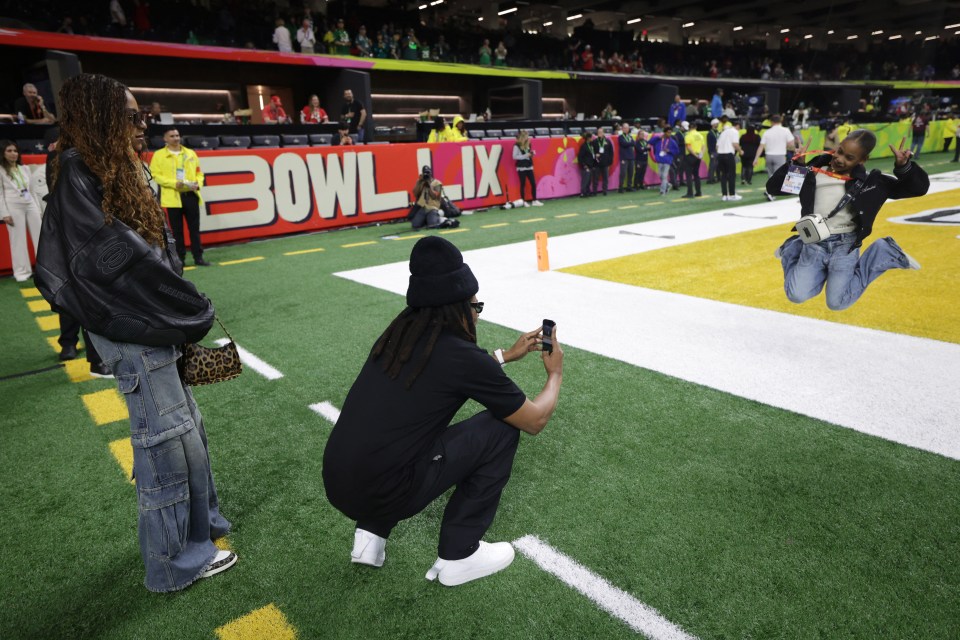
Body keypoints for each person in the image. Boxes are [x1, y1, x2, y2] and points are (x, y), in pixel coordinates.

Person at [35, 72, 236, 593]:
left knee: (185, 431)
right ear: (100, 116)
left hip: (152, 321)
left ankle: (201, 531)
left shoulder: (115, 164)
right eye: (128, 114)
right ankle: (173, 562)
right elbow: (113, 262)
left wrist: (177, 304)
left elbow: (150, 252)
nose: (140, 122)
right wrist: (183, 304)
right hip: (131, 329)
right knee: (163, 441)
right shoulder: (77, 170)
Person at [322, 236, 563, 587]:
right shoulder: (458, 357)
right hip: (384, 490)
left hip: (339, 480)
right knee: (500, 429)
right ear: (457, 308)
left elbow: (450, 370)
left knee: (403, 432)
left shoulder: (402, 333)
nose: (477, 317)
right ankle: (459, 555)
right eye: (475, 308)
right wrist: (555, 373)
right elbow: (534, 420)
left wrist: (506, 356)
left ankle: (370, 538)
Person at [769, 132, 928, 311]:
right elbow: (773, 188)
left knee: (837, 303)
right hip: (813, 243)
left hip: (845, 247)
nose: (839, 159)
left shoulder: (871, 182)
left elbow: (918, 189)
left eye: (849, 157)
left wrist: (904, 167)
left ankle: (884, 251)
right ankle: (793, 247)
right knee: (796, 295)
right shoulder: (812, 172)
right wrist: (797, 165)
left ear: (862, 160)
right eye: (840, 151)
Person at [149, 128, 210, 267]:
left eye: (177, 135)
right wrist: (173, 183)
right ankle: (180, 260)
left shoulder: (190, 153)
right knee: (177, 231)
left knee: (194, 229)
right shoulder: (158, 155)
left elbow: (199, 173)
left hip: (191, 196)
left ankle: (198, 257)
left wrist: (197, 184)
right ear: (165, 139)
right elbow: (156, 175)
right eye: (172, 136)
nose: (176, 138)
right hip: (172, 198)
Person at [1, 141, 43, 282]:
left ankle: (44, 269)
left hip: (30, 204)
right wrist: (4, 213)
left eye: (15, 151)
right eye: (9, 151)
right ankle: (21, 273)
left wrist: (38, 208)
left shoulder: (24, 168)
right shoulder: (0, 170)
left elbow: (32, 191)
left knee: (40, 238)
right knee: (17, 240)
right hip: (13, 206)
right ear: (3, 153)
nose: (13, 153)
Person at [755, 115, 795, 201]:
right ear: (780, 121)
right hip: (780, 155)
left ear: (771, 122)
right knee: (779, 175)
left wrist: (756, 158)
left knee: (771, 175)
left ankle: (769, 191)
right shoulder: (785, 130)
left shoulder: (767, 132)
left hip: (768, 155)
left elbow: (761, 146)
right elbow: (791, 144)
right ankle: (772, 193)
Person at [716, 116, 742, 201]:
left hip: (720, 155)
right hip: (728, 154)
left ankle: (724, 195)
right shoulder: (734, 132)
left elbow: (717, 146)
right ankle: (732, 194)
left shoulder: (723, 132)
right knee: (731, 175)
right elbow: (735, 144)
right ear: (737, 125)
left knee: (723, 175)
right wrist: (740, 151)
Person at [512, 130, 542, 206]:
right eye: (525, 137)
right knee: (523, 184)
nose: (527, 138)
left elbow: (528, 153)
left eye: (527, 137)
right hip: (521, 167)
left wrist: (531, 154)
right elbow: (514, 156)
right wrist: (526, 155)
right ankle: (523, 201)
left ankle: (534, 200)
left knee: (533, 183)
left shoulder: (528, 144)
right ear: (522, 137)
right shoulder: (516, 145)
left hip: (529, 166)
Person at [651, 126, 679, 197]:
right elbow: (650, 142)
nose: (669, 134)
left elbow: (677, 151)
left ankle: (662, 191)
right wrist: (658, 138)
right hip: (660, 160)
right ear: (665, 132)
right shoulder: (659, 139)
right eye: (668, 132)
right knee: (661, 176)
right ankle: (668, 184)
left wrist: (669, 151)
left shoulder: (672, 141)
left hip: (667, 160)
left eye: (670, 132)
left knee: (664, 176)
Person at [682, 121, 704, 198]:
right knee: (696, 175)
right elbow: (703, 146)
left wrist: (694, 155)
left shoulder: (688, 136)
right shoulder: (700, 135)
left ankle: (690, 193)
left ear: (689, 128)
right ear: (696, 127)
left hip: (690, 156)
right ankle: (699, 192)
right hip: (698, 156)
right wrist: (701, 154)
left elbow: (688, 147)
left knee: (688, 175)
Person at [592, 127, 613, 195]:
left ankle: (605, 191)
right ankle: (594, 191)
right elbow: (592, 152)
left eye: (601, 132)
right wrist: (595, 155)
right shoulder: (594, 142)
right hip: (597, 163)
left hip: (605, 163)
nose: (600, 134)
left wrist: (610, 162)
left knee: (605, 178)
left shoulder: (607, 141)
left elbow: (611, 152)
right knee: (595, 178)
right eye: (598, 132)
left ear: (603, 133)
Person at [577, 131, 598, 197]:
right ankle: (583, 193)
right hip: (586, 166)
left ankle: (587, 192)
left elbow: (592, 155)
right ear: (588, 138)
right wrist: (584, 166)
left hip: (591, 165)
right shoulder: (584, 146)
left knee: (589, 181)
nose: (592, 138)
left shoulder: (591, 145)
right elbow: (580, 157)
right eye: (591, 137)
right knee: (585, 180)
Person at [617, 122, 635, 193]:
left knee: (631, 172)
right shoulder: (620, 137)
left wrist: (629, 143)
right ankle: (620, 187)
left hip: (631, 157)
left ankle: (629, 186)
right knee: (623, 173)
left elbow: (633, 143)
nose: (626, 129)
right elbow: (624, 144)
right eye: (624, 128)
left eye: (627, 128)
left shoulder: (630, 136)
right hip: (624, 157)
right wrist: (630, 143)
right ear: (622, 128)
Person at [706, 118, 720, 184]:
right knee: (712, 165)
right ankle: (710, 179)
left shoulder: (717, 132)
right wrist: (711, 152)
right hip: (713, 151)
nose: (717, 125)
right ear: (713, 124)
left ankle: (714, 178)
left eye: (717, 124)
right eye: (716, 124)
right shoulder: (710, 133)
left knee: (716, 165)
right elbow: (709, 144)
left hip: (717, 151)